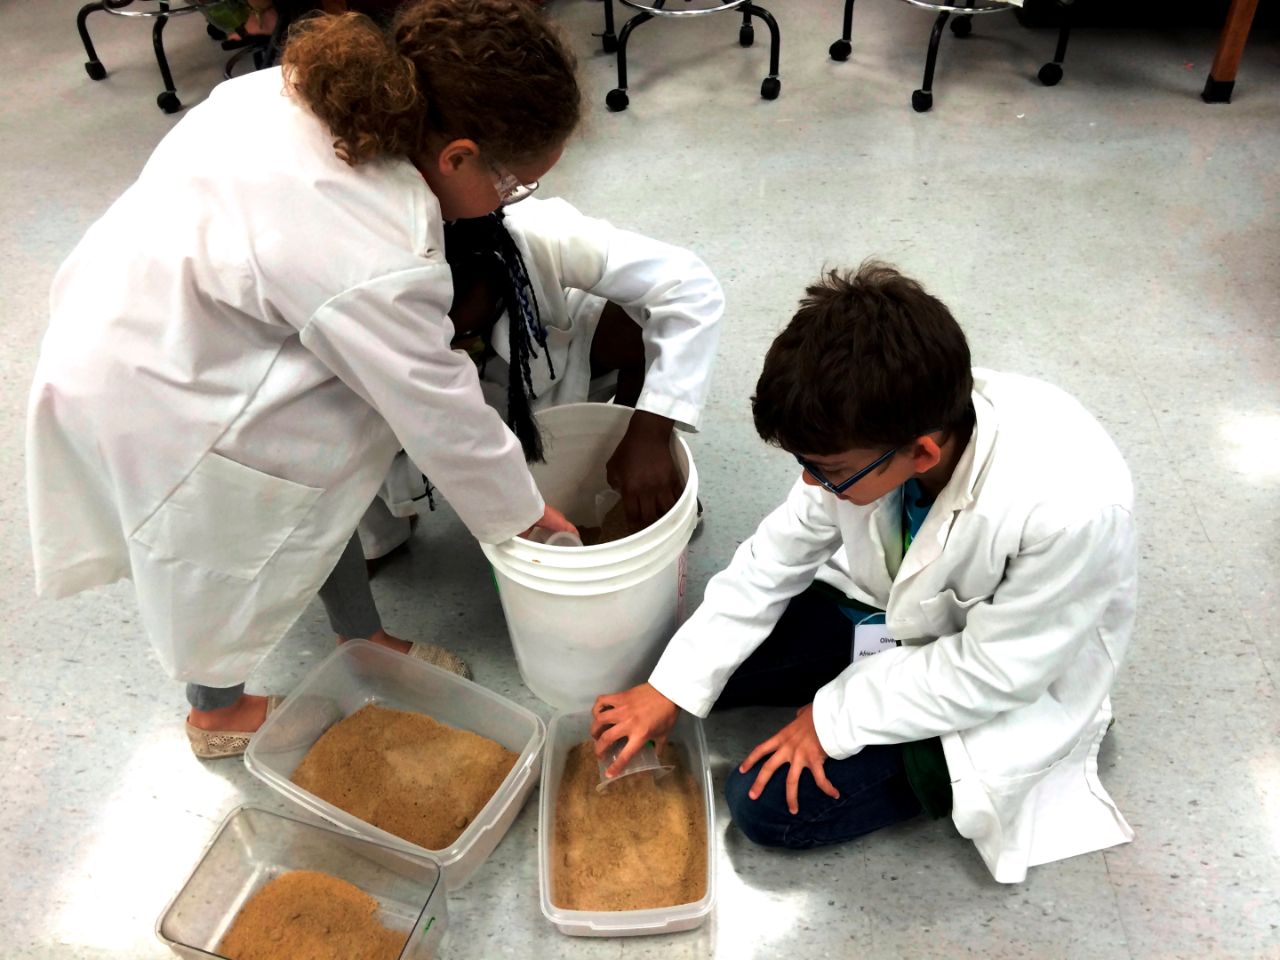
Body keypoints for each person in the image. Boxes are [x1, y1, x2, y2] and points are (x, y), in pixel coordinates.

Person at [26, 1, 581, 758]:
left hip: (151, 315)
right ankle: (216, 713)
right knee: (226, 547)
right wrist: (523, 513)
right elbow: (440, 409)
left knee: (316, 497)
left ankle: (365, 637)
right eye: (515, 185)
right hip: (162, 391)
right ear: (455, 157)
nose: (511, 201)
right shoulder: (376, 254)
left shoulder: (299, 91)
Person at [590, 263, 1137, 884]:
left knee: (765, 810)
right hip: (899, 614)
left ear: (923, 452)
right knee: (689, 673)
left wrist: (831, 719)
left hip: (1008, 680)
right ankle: (850, 667)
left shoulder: (1069, 507)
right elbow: (775, 556)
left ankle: (870, 709)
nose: (808, 482)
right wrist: (672, 687)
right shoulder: (871, 428)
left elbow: (996, 671)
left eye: (824, 468)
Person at [358, 195, 724, 567]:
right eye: (447, 331)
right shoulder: (352, 309)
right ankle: (381, 536)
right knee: (355, 462)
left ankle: (638, 472)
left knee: (634, 323)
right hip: (414, 402)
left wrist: (651, 430)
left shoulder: (530, 232)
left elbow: (689, 287)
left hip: (541, 362)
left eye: (465, 325)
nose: (459, 337)